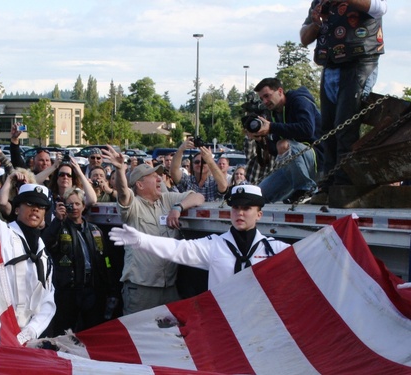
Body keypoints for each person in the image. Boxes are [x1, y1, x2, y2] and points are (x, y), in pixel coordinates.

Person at [109, 185, 291, 289]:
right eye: (236, 208)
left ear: (259, 215)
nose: (240, 213)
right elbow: (178, 249)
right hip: (224, 323)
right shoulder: (216, 245)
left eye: (247, 209)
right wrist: (142, 240)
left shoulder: (275, 250)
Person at [300, 0, 387, 204]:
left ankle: (343, 185)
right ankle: (327, 186)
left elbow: (381, 8)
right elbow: (304, 38)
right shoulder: (319, 2)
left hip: (360, 60)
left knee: (345, 125)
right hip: (331, 65)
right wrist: (316, 23)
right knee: (328, 128)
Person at [101, 146, 205, 315]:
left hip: (169, 288)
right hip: (142, 291)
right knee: (138, 337)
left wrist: (178, 207)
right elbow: (123, 193)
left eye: (159, 175)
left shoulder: (167, 199)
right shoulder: (133, 206)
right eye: (153, 176)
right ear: (140, 184)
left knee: (172, 337)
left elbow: (199, 197)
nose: (159, 179)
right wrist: (120, 170)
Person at [42, 187, 114, 335]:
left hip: (93, 289)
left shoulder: (95, 230)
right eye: (70, 205)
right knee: (63, 333)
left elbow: (106, 260)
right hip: (68, 291)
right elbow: (46, 243)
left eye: (77, 204)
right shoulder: (59, 227)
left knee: (93, 333)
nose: (74, 208)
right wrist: (57, 220)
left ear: (83, 205)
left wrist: (111, 288)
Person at [0, 183, 56, 344]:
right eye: (29, 203)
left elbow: (48, 301)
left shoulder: (44, 256)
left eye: (41, 206)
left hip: (27, 338)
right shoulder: (2, 234)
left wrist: (30, 332)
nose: (35, 209)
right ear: (16, 209)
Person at [251, 78, 322, 204]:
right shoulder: (274, 113)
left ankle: (306, 189)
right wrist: (262, 140)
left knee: (284, 145)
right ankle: (301, 188)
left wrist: (272, 127)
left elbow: (307, 129)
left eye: (267, 96)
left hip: (319, 157)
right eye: (262, 98)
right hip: (295, 166)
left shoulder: (299, 100)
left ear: (280, 91)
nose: (265, 101)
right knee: (257, 196)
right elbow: (276, 151)